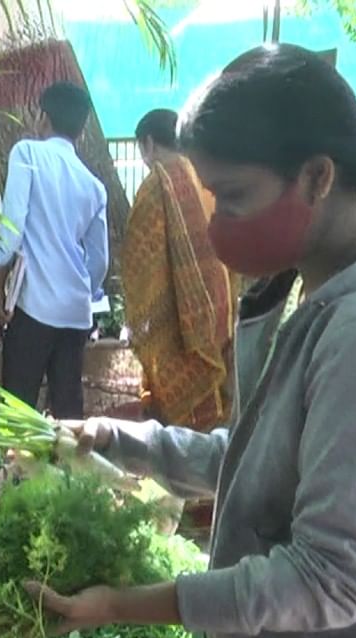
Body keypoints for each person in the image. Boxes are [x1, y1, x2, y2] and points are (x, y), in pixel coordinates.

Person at [30, 45, 356, 638]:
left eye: (235, 197)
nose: (216, 227)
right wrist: (114, 439)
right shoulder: (311, 290)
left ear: (317, 176)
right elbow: (256, 463)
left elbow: (329, 577)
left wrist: (124, 604)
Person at [0, 81, 108, 419]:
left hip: (34, 307)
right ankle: (69, 471)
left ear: (43, 117)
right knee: (68, 412)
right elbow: (99, 261)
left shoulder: (27, 153)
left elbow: (12, 228)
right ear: (83, 129)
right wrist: (85, 291)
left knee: (19, 408)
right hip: (75, 313)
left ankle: (14, 472)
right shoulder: (94, 186)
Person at [123, 108, 236, 431]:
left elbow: (141, 264)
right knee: (217, 402)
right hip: (221, 311)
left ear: (148, 143)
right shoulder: (209, 180)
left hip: (177, 321)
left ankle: (181, 474)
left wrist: (144, 318)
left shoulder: (158, 184)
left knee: (181, 420)